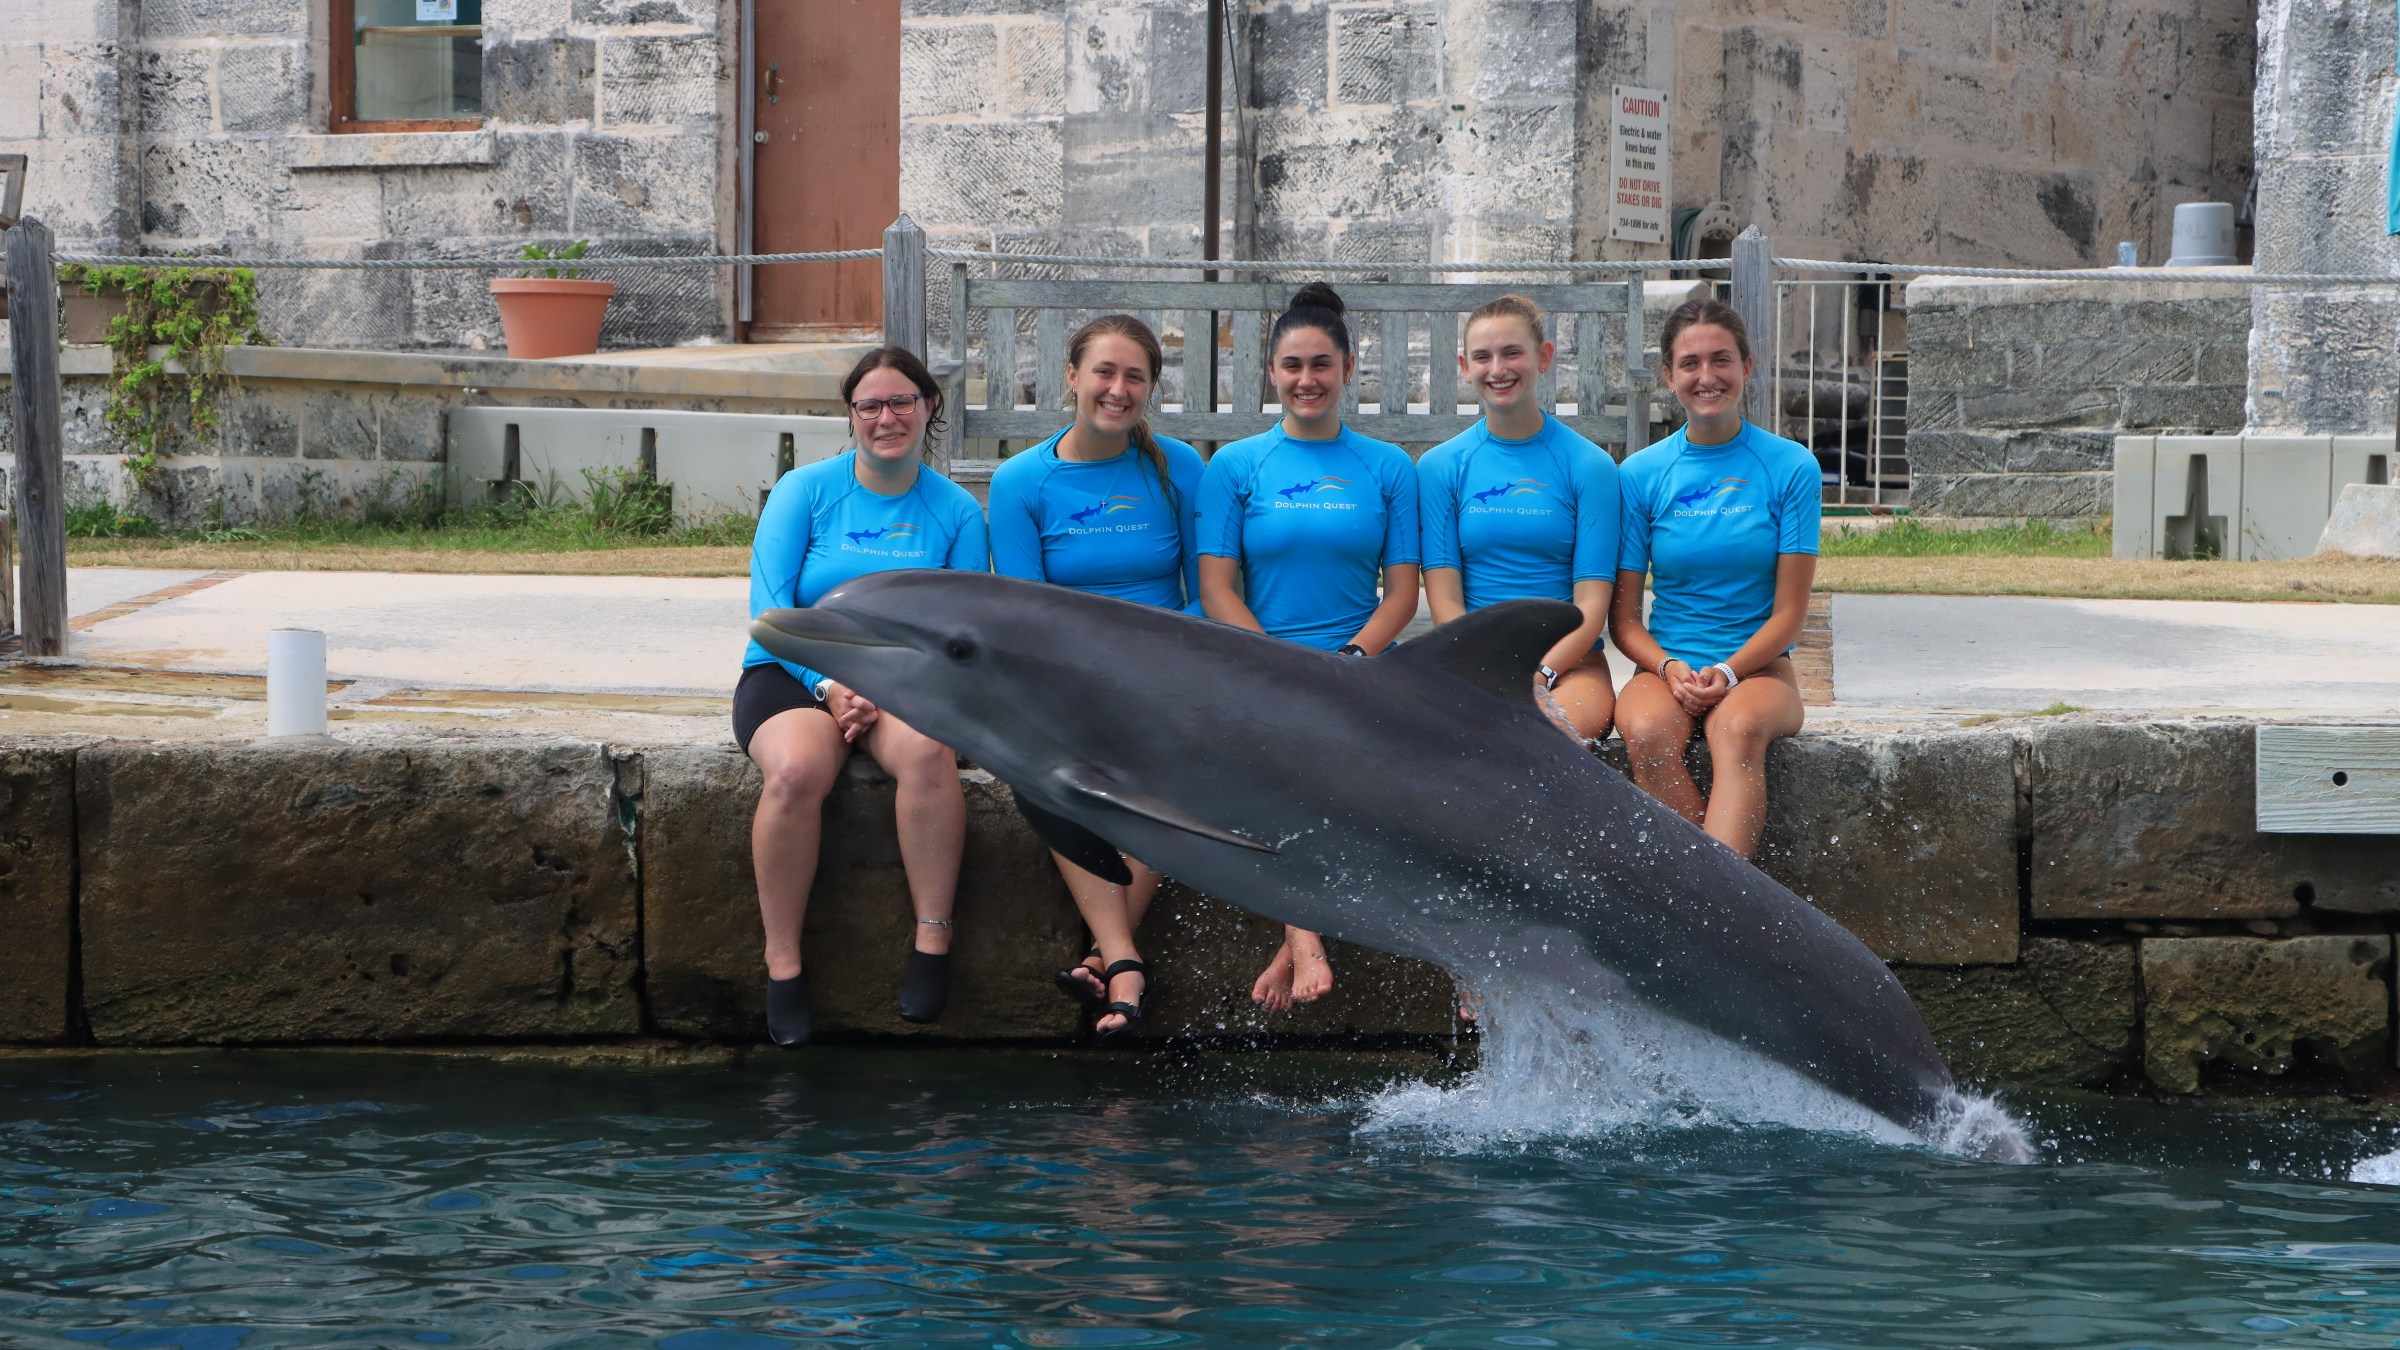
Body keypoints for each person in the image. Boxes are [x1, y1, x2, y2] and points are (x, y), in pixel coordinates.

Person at [736, 345, 990, 1047]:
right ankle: (783, 964)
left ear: (929, 406)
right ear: (850, 415)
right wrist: (828, 684)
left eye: (902, 401)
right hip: (792, 670)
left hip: (901, 683)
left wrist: (888, 684)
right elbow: (770, 612)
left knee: (930, 753)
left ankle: (932, 941)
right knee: (796, 772)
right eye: (870, 405)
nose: (887, 417)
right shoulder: (804, 491)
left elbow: (961, 632)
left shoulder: (956, 512)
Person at [1196, 281, 1421, 1015]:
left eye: (1322, 364)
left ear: (1349, 368)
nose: (1307, 379)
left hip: (1359, 664)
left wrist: (1349, 662)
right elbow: (1217, 589)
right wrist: (1276, 666)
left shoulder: (1388, 467)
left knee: (1366, 768)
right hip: (1259, 662)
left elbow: (1402, 594)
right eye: (1291, 365)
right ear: (1270, 371)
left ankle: (1294, 937)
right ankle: (1304, 933)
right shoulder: (1235, 466)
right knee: (1277, 754)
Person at [988, 314, 1204, 1042]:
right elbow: (1026, 614)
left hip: (1166, 673)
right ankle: (1124, 962)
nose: (1118, 389)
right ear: (1072, 377)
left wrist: (1155, 664)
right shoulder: (1021, 482)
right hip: (1066, 681)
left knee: (1164, 778)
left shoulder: (1179, 469)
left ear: (1151, 388)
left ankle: (1109, 962)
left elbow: (1207, 591)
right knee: (1044, 774)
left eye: (1135, 377)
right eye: (1104, 372)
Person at [1610, 298, 1819, 859]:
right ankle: (1714, 895)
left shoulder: (1791, 467)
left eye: (1721, 360)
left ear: (1746, 367)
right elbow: (1624, 621)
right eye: (1690, 363)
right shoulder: (1640, 475)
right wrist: (1669, 667)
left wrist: (1728, 671)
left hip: (1759, 671)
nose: (1707, 377)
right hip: (1667, 669)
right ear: (1669, 376)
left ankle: (1713, 900)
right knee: (1646, 733)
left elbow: (1790, 614)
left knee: (1737, 730)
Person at [1418, 293, 1622, 741]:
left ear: (1543, 357)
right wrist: (1488, 674)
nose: (1498, 369)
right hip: (1473, 664)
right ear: (1464, 366)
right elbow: (1445, 602)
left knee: (1546, 737)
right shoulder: (1440, 468)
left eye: (1512, 353)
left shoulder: (1590, 466)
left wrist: (1541, 675)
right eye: (1482, 357)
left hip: (1571, 667)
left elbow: (1591, 605)